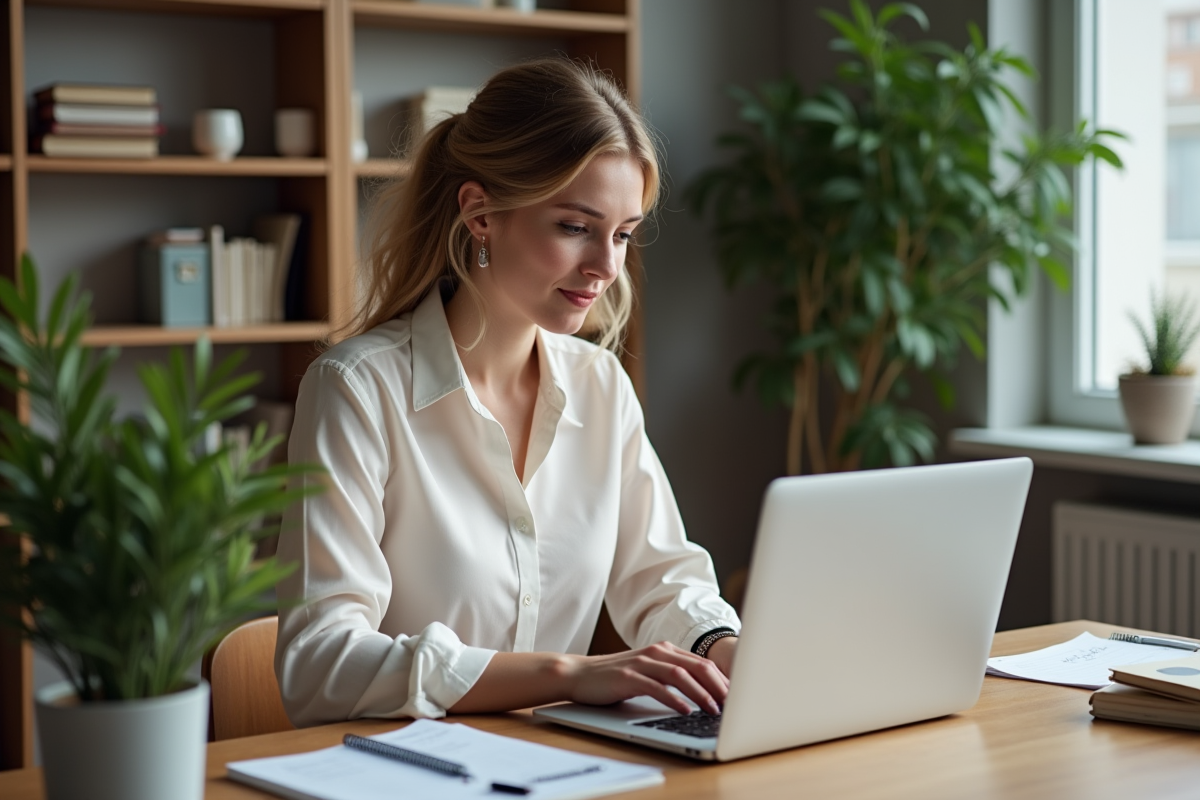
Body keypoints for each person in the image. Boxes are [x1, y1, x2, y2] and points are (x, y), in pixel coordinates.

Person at [275, 58, 741, 727]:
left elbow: (662, 578)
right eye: (575, 227)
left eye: (623, 235)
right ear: (481, 212)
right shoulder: (358, 390)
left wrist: (723, 650)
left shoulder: (599, 385)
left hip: (559, 769)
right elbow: (319, 662)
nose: (607, 267)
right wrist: (565, 674)